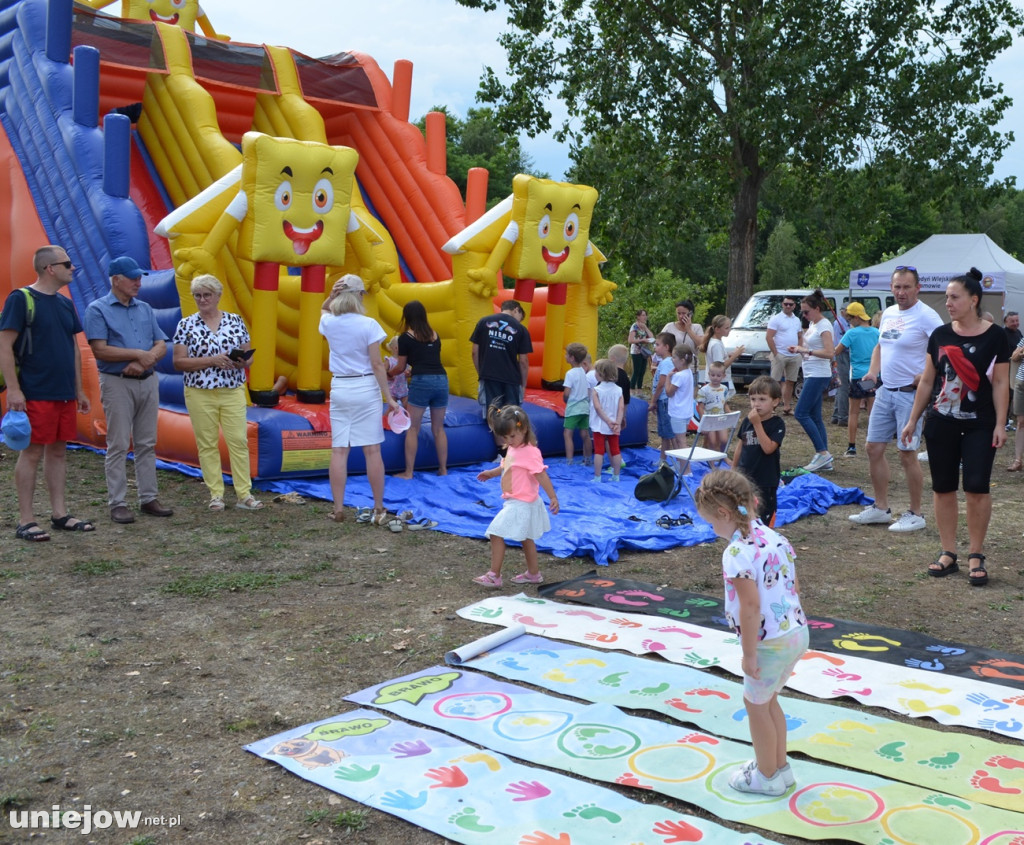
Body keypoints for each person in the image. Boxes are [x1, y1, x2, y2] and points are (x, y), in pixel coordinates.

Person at [693, 469, 807, 797]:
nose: (713, 530)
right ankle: (780, 768)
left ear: (725, 514)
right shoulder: (775, 537)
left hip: (770, 643)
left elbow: (751, 608)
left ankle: (767, 776)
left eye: (712, 523)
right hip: (796, 633)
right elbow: (793, 585)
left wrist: (749, 654)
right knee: (769, 700)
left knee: (755, 705)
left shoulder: (736, 552)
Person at [901, 269, 1009, 586]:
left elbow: (1001, 382)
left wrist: (1001, 424)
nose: (948, 302)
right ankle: (948, 553)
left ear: (973, 300)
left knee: (976, 487)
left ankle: (976, 554)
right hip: (941, 422)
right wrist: (912, 420)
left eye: (954, 297)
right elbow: (927, 382)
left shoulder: (996, 336)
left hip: (981, 424)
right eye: (947, 297)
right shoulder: (940, 335)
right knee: (943, 487)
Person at [0, 245, 93, 541]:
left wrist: (78, 389)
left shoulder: (65, 304)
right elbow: (4, 344)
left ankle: (59, 514)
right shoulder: (21, 299)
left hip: (63, 393)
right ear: (49, 268)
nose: (73, 269)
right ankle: (25, 520)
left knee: (58, 451)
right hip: (34, 391)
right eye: (67, 264)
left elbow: (74, 350)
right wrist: (13, 390)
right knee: (31, 453)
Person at [849, 267, 943, 533]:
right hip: (884, 392)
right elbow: (881, 345)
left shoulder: (927, 316)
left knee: (906, 453)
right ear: (891, 288)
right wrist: (872, 371)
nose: (901, 292)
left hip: (910, 395)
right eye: (897, 287)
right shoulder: (889, 313)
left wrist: (925, 376)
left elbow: (945, 349)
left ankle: (916, 514)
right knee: (873, 448)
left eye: (906, 287)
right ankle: (880, 508)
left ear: (917, 288)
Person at [84, 256, 172, 524]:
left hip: (147, 380)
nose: (138, 282)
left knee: (147, 442)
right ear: (115, 280)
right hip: (117, 382)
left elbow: (161, 343)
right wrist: (138, 355)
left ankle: (148, 498)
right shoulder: (97, 309)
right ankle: (117, 503)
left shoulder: (144, 308)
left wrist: (146, 359)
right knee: (119, 443)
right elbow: (99, 349)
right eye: (132, 277)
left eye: (139, 277)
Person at [171, 274, 262, 511]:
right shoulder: (186, 325)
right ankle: (216, 495)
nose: (202, 299)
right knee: (207, 443)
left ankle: (244, 494)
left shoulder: (235, 321)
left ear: (218, 296)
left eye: (207, 294)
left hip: (231, 389)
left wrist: (241, 362)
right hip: (199, 391)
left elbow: (248, 358)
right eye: (198, 295)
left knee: (238, 441)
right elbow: (179, 362)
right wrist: (212, 360)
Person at [318, 274, 400, 524]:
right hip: (365, 386)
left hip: (340, 386)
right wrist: (390, 398)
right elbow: (377, 364)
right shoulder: (369, 325)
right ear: (358, 296)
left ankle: (339, 508)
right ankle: (378, 507)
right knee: (372, 450)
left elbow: (323, 310)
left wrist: (331, 296)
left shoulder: (330, 322)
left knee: (339, 450)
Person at [473, 405, 559, 587]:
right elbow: (507, 465)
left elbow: (541, 474)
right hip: (518, 501)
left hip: (522, 503)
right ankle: (533, 574)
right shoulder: (513, 448)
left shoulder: (529, 451)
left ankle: (494, 575)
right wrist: (492, 473)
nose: (509, 441)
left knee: (495, 533)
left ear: (524, 429)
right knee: (526, 537)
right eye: (505, 437)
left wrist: (552, 497)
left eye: (512, 436)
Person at [389, 300, 449, 479]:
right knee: (438, 429)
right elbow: (428, 360)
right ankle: (444, 469)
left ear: (407, 317)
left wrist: (389, 374)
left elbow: (400, 367)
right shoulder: (434, 334)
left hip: (422, 381)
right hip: (442, 380)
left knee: (412, 428)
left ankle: (408, 472)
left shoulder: (406, 337)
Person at [789, 289, 834, 473]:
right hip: (811, 372)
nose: (804, 315)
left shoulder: (824, 325)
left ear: (817, 308)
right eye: (802, 312)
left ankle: (822, 453)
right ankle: (826, 459)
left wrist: (806, 351)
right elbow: (810, 347)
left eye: (806, 311)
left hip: (819, 373)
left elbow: (830, 353)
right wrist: (800, 348)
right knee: (815, 416)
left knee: (800, 412)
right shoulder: (814, 324)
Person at [731, 376, 785, 525]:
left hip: (765, 481)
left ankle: (764, 544)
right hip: (745, 478)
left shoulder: (777, 424)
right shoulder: (748, 421)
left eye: (762, 399)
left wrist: (757, 424)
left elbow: (768, 449)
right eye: (753, 399)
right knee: (743, 515)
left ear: (775, 401)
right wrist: (734, 470)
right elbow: (740, 445)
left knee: (763, 520)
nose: (756, 404)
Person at [834, 302, 879, 458]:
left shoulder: (851, 333)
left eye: (849, 318)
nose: (848, 321)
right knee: (872, 412)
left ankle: (852, 447)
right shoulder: (876, 332)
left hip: (858, 376)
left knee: (853, 413)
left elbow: (837, 351)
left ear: (856, 317)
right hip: (874, 375)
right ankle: (872, 443)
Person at [471, 299, 533, 411]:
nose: (520, 322)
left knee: (493, 412)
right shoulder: (521, 330)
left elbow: (474, 352)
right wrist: (523, 384)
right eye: (520, 318)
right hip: (511, 378)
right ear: (516, 310)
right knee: (511, 414)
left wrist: (481, 373)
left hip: (489, 374)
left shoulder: (483, 322)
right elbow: (523, 361)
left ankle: (493, 428)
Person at [589, 358, 625, 482]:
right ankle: (616, 476)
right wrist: (617, 423)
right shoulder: (618, 390)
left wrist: (607, 421)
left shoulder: (596, 390)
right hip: (614, 425)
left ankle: (597, 477)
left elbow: (598, 408)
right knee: (615, 450)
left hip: (600, 425)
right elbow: (621, 408)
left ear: (601, 374)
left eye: (596, 372)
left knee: (599, 451)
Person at [765, 296, 802, 415]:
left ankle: (786, 406)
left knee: (790, 381)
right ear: (782, 304)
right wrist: (776, 353)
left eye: (791, 304)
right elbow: (769, 337)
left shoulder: (797, 320)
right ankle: (772, 407)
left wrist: (799, 350)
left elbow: (800, 336)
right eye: (786, 304)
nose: (788, 306)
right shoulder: (776, 319)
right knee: (774, 382)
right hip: (780, 353)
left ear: (794, 306)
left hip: (794, 355)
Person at [562, 342, 592, 465]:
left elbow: (567, 392)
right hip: (584, 407)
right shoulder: (583, 372)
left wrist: (565, 399)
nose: (565, 356)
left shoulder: (570, 373)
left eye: (566, 354)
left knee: (567, 434)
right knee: (585, 434)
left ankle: (569, 460)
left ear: (572, 358)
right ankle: (588, 458)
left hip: (573, 408)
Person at [648, 332, 676, 463]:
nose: (655, 347)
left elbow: (661, 384)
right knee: (666, 433)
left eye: (658, 344)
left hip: (664, 401)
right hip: (665, 400)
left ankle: (677, 460)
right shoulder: (668, 362)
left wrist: (653, 401)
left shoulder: (666, 363)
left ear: (667, 347)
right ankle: (663, 459)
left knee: (669, 433)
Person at [661, 299, 703, 383]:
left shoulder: (697, 327)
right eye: (678, 313)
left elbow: (701, 344)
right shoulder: (669, 327)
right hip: (672, 368)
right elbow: (660, 344)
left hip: (691, 369)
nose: (681, 316)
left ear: (690, 313)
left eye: (683, 313)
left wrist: (689, 330)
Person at [702, 314, 744, 395]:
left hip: (715, 380)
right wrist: (735, 355)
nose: (729, 330)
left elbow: (718, 358)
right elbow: (720, 366)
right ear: (717, 329)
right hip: (718, 381)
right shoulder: (716, 344)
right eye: (726, 328)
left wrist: (728, 355)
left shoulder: (716, 341)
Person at [665, 346, 695, 455]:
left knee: (681, 441)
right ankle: (681, 465)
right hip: (686, 412)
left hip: (678, 413)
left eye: (674, 357)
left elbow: (669, 392)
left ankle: (686, 469)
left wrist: (668, 378)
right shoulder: (688, 372)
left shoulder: (678, 376)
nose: (672, 359)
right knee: (680, 440)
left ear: (682, 361)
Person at [697, 361, 731, 452]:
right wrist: (703, 421)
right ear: (709, 374)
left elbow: (725, 404)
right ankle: (711, 462)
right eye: (713, 375)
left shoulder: (724, 389)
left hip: (721, 418)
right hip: (709, 419)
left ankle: (722, 456)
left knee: (724, 440)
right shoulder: (704, 390)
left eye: (718, 375)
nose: (715, 378)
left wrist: (730, 414)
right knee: (712, 442)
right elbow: (700, 407)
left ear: (723, 376)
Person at [627, 309, 655, 390]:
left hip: (644, 351)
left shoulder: (644, 326)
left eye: (645, 315)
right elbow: (630, 340)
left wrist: (646, 328)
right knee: (637, 371)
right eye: (643, 315)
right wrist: (641, 340)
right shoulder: (634, 326)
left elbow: (651, 336)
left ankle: (639, 389)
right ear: (638, 317)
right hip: (636, 351)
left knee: (642, 371)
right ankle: (631, 389)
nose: (645, 317)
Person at [1003, 312, 1021, 431]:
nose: (1015, 323)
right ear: (1006, 322)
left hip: (1017, 368)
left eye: (1016, 321)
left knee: (1013, 393)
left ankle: (1009, 419)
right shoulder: (1003, 334)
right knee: (1007, 394)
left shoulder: (1018, 333)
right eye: (1012, 321)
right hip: (1006, 368)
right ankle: (1003, 422)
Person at [1008, 337, 1024, 472]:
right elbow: (1013, 357)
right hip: (1021, 383)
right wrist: (1020, 352)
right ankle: (1018, 461)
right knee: (1021, 422)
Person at [383, 337, 409, 410]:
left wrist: (408, 374)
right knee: (392, 408)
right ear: (396, 348)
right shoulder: (389, 360)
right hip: (392, 389)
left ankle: (408, 420)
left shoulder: (405, 361)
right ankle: (385, 419)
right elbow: (382, 373)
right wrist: (389, 376)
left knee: (408, 407)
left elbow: (408, 371)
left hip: (403, 389)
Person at [607, 344, 633, 411]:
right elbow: (626, 400)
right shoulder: (625, 377)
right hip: (618, 412)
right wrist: (623, 416)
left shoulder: (608, 374)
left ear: (612, 358)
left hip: (607, 409)